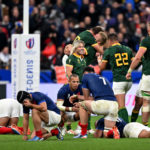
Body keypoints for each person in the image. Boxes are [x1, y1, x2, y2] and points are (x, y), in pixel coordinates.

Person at [70, 66, 119, 139]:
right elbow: (99, 97)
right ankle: (114, 132)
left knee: (82, 105)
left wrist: (79, 100)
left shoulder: (85, 77)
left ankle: (83, 133)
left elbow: (86, 99)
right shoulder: (103, 78)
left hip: (102, 104)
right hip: (114, 105)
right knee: (106, 134)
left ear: (84, 74)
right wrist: (77, 97)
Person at [99, 33, 134, 123]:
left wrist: (99, 60)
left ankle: (126, 126)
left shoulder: (109, 50)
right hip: (129, 81)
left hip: (119, 81)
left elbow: (102, 68)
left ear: (110, 40)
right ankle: (120, 122)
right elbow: (134, 62)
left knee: (121, 105)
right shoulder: (127, 49)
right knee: (119, 103)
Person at [126, 21, 150, 126]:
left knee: (146, 102)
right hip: (144, 76)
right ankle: (133, 124)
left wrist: (129, 71)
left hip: (148, 75)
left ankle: (144, 127)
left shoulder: (146, 41)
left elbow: (138, 57)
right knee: (139, 100)